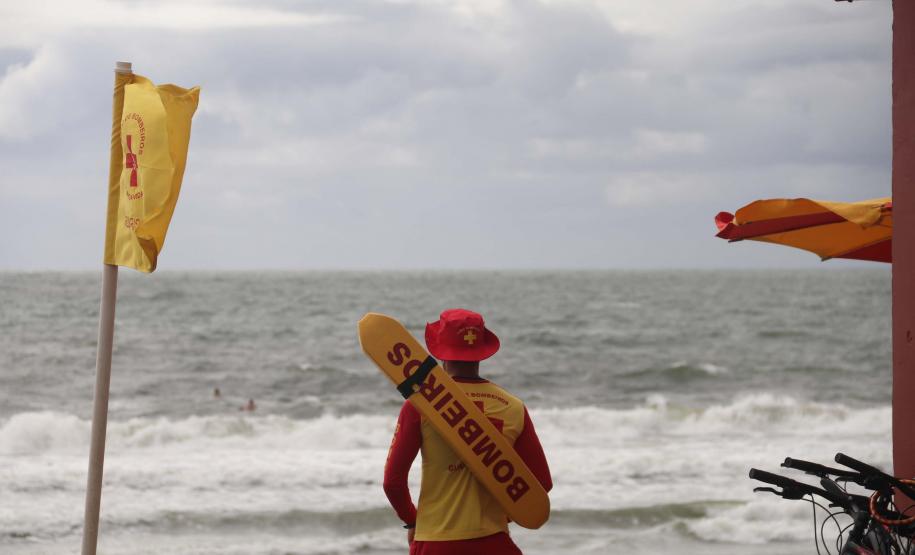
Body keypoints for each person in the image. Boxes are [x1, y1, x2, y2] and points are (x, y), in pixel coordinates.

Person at [383, 309, 552, 555]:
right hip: (494, 543)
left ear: (439, 348)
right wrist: (503, 517)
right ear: (481, 350)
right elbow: (541, 483)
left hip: (436, 543)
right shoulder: (512, 407)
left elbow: (393, 483)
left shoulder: (420, 405)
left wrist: (413, 520)